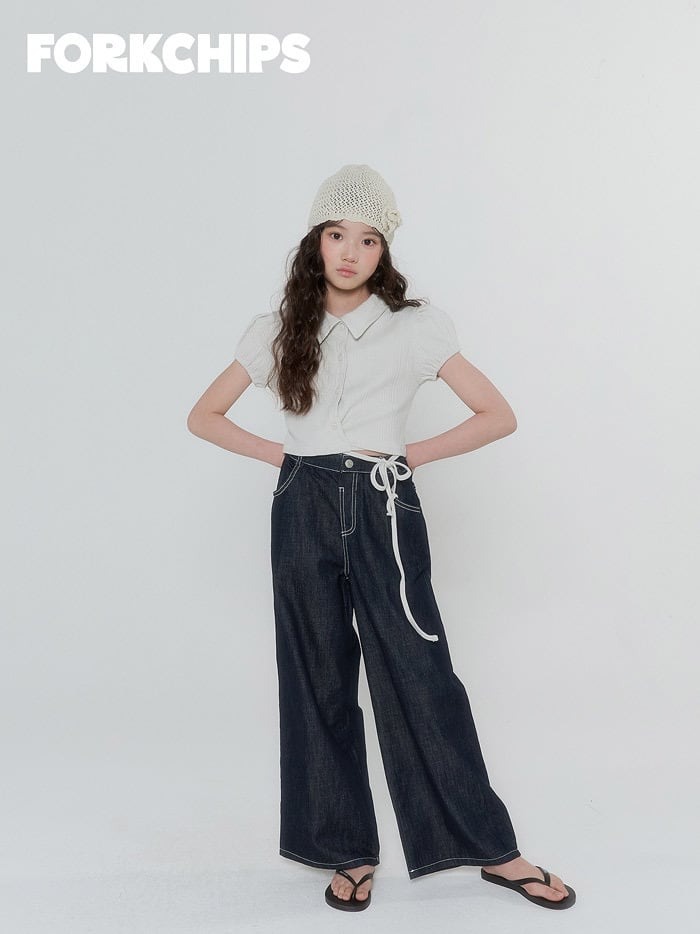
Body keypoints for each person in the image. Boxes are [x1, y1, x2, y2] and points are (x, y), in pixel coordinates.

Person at [187, 164, 576, 913]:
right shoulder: (277, 330)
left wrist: (406, 457)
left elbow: (497, 415)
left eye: (368, 239)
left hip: (383, 504)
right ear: (316, 240)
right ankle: (347, 850)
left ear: (383, 250)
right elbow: (203, 416)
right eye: (337, 234)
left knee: (421, 674)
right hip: (301, 504)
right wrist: (289, 460)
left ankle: (494, 851)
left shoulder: (416, 327)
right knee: (316, 676)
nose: (350, 252)